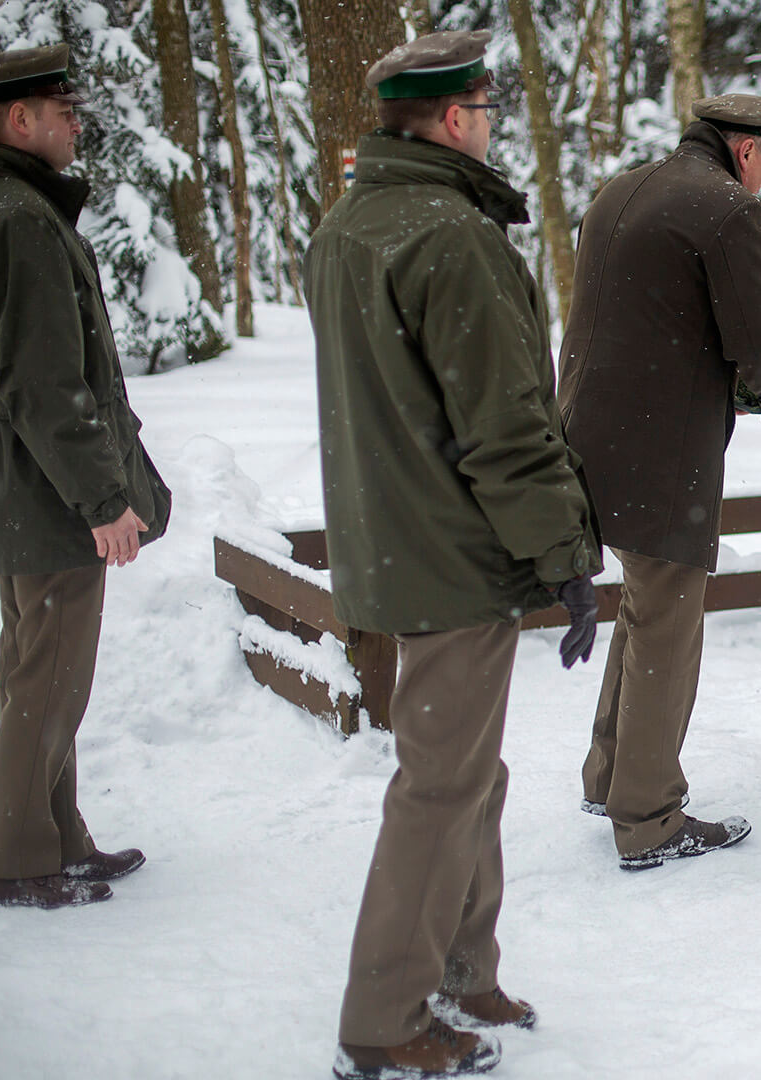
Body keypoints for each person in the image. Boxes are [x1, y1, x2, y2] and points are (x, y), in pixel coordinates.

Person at [305, 30, 603, 1080]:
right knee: (440, 788)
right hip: (450, 551)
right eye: (482, 108)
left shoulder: (350, 224)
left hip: (394, 544)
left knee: (468, 770)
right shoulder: (450, 236)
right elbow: (504, 424)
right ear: (449, 119)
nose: (489, 124)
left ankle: (464, 969)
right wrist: (564, 553)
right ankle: (384, 1021)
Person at [559, 94, 761, 872]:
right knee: (668, 624)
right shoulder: (727, 209)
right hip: (659, 452)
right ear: (746, 148)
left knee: (645, 609)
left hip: (582, 432)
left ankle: (610, 778)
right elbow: (757, 333)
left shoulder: (622, 189)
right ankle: (648, 820)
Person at [0, 43, 171, 911]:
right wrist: (103, 499)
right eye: (62, 111)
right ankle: (16, 856)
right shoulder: (22, 220)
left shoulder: (18, 208)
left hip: (25, 489)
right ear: (17, 119)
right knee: (49, 680)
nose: (76, 124)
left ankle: (56, 837)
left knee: (39, 669)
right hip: (48, 495)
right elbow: (43, 382)